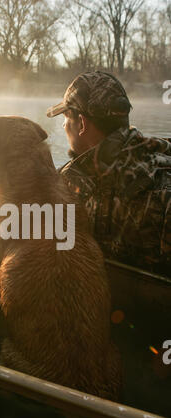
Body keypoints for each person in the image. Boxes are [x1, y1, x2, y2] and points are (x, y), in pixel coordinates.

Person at [47, 71, 171, 276]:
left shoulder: (64, 187)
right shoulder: (160, 176)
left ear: (82, 124)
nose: (63, 125)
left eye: (67, 117)